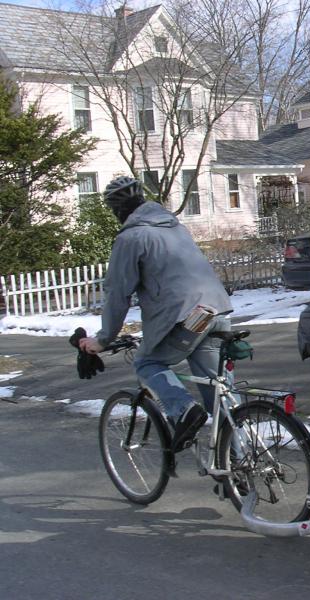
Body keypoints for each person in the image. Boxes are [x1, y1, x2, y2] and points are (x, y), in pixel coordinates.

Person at [79, 176, 233, 452]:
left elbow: (117, 293)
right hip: (217, 311)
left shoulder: (131, 237)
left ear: (116, 210)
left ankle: (184, 410)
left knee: (147, 363)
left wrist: (103, 339)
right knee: (220, 399)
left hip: (191, 317)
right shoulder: (175, 228)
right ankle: (239, 468)